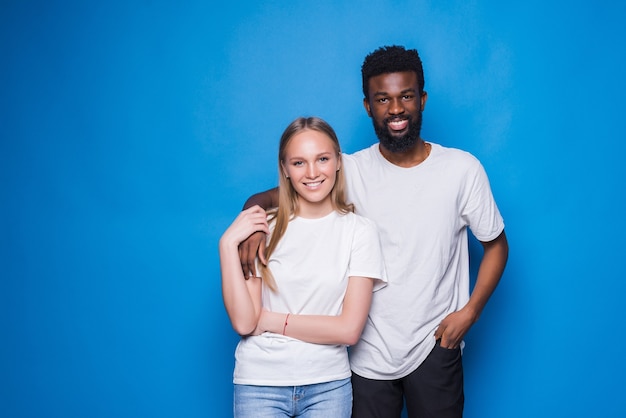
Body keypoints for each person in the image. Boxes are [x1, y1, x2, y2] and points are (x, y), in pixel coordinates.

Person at [238, 46, 509, 418]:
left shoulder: (462, 170)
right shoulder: (346, 170)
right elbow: (275, 194)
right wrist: (252, 222)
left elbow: (495, 246)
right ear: (368, 106)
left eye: (406, 96)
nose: (396, 109)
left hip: (434, 345)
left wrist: (470, 313)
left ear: (422, 100)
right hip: (365, 356)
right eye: (383, 99)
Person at [219, 116, 387, 417]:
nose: (312, 173)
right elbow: (245, 323)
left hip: (328, 386)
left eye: (322, 159)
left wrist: (271, 320)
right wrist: (226, 245)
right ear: (284, 169)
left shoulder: (360, 232)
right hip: (259, 384)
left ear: (338, 161)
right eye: (299, 163)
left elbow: (349, 330)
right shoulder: (264, 228)